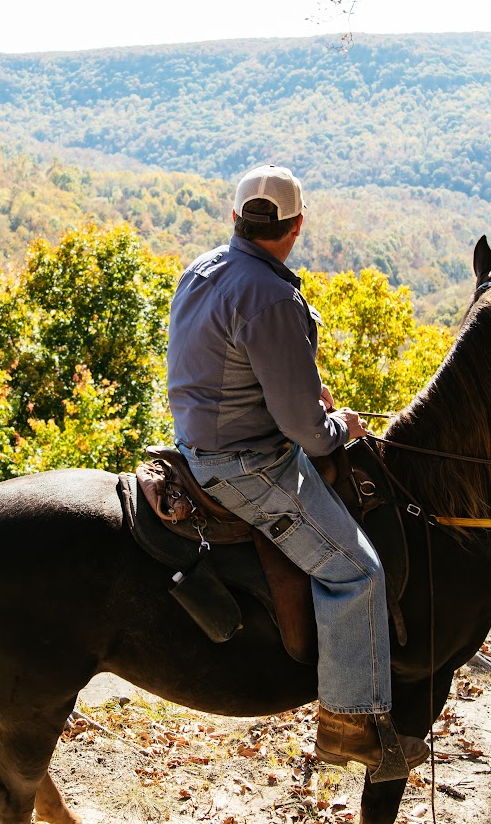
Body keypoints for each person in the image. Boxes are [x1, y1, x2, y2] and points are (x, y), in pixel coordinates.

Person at [165, 164, 428, 778]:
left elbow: (221, 369)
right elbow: (307, 433)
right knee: (358, 571)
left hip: (193, 442)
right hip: (247, 464)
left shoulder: (201, 270)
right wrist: (341, 427)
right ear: (297, 225)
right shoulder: (272, 295)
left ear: (235, 219)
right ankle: (348, 727)